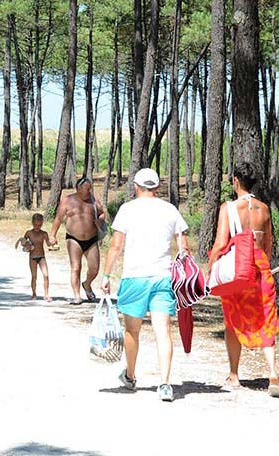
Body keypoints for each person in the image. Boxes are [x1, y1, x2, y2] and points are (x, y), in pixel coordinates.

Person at [100, 168, 189, 402]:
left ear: (136, 187)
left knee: (132, 331)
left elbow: (116, 246)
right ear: (157, 187)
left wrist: (106, 275)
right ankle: (165, 384)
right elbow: (184, 248)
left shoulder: (127, 210)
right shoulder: (170, 210)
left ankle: (130, 376)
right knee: (163, 331)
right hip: (163, 277)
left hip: (135, 277)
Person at [209, 163, 279, 397]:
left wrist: (211, 268)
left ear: (236, 181)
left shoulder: (229, 208)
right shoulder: (264, 209)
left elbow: (221, 244)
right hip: (261, 268)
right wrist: (263, 267)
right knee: (266, 318)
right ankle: (273, 374)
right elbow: (269, 244)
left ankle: (233, 375)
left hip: (239, 270)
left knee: (233, 319)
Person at [49, 177, 107, 303]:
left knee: (94, 268)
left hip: (91, 239)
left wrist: (100, 220)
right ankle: (77, 295)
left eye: (89, 189)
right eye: (84, 190)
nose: (87, 192)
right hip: (73, 238)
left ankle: (87, 284)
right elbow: (58, 219)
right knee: (76, 267)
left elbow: (102, 213)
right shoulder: (68, 200)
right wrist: (52, 235)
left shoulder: (93, 199)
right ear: (77, 189)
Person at [20, 213, 51, 301]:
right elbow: (23, 242)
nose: (38, 226)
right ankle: (34, 293)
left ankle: (46, 294)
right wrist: (27, 246)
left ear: (42, 223)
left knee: (46, 275)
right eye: (36, 225)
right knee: (34, 276)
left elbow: (48, 243)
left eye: (40, 225)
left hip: (41, 257)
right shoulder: (29, 233)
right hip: (32, 257)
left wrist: (53, 243)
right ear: (32, 223)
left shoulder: (44, 233)